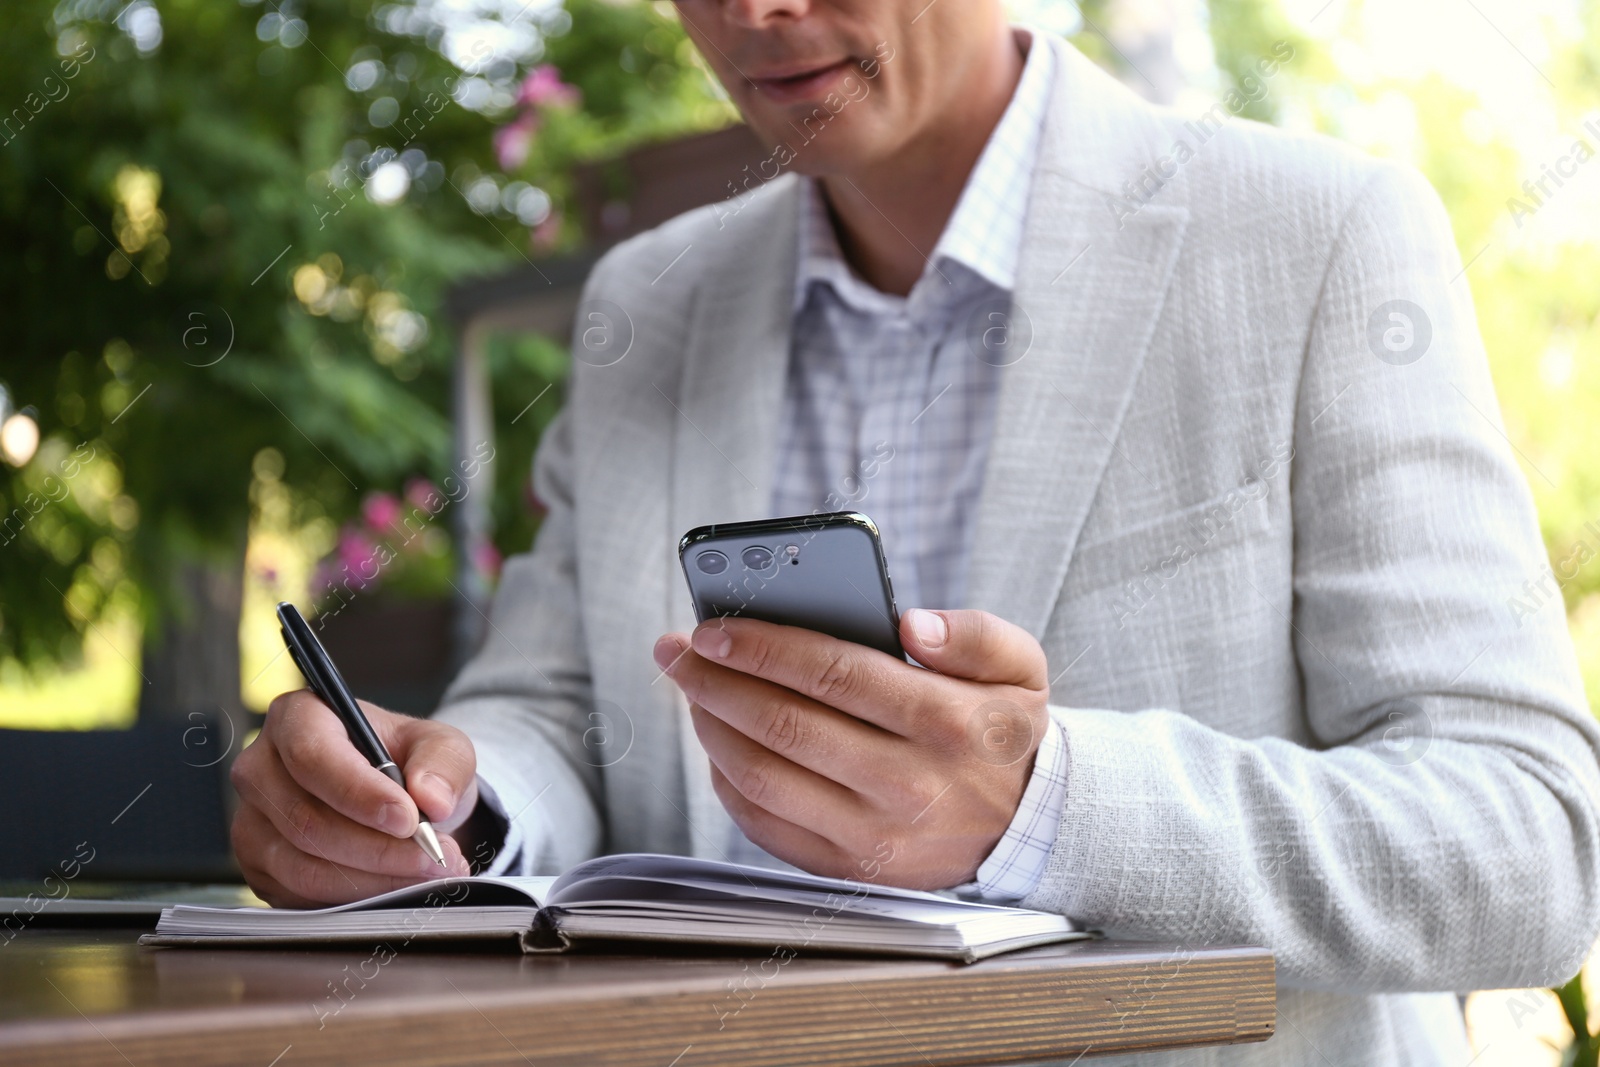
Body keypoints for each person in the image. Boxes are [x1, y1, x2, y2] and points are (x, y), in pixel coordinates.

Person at [230, 1, 1600, 1063]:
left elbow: (1532, 843)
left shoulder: (1315, 239)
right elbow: (552, 712)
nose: (752, 13)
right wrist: (443, 810)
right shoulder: (643, 306)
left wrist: (1046, 808)